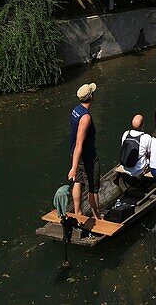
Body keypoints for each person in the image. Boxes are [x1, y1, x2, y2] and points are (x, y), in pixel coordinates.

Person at [67, 83, 101, 219]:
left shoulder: (76, 110)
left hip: (75, 153)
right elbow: (80, 143)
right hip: (86, 157)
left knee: (78, 182)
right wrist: (74, 168)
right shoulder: (86, 117)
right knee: (93, 188)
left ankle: (77, 212)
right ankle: (98, 217)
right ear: (91, 97)